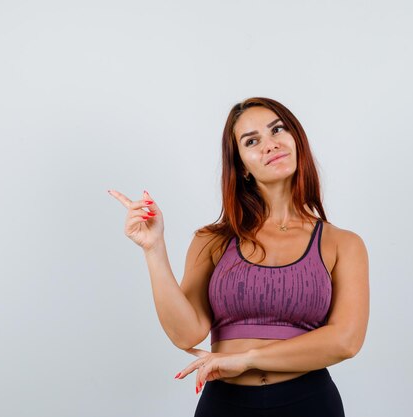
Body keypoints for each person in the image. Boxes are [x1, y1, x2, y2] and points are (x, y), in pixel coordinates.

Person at [108, 97, 369, 416]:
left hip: (310, 402)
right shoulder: (212, 241)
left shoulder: (343, 243)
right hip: (224, 405)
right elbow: (186, 334)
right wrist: (154, 249)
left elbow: (346, 341)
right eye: (252, 140)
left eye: (278, 130)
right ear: (242, 165)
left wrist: (246, 358)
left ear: (296, 139)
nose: (270, 145)